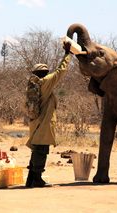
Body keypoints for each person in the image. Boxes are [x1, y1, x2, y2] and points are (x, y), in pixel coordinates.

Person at [25, 42, 72, 188]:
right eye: (46, 72)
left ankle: (31, 179)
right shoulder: (45, 82)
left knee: (36, 150)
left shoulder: (33, 85)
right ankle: (37, 179)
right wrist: (67, 54)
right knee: (41, 151)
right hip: (44, 124)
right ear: (44, 74)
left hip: (35, 123)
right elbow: (60, 72)